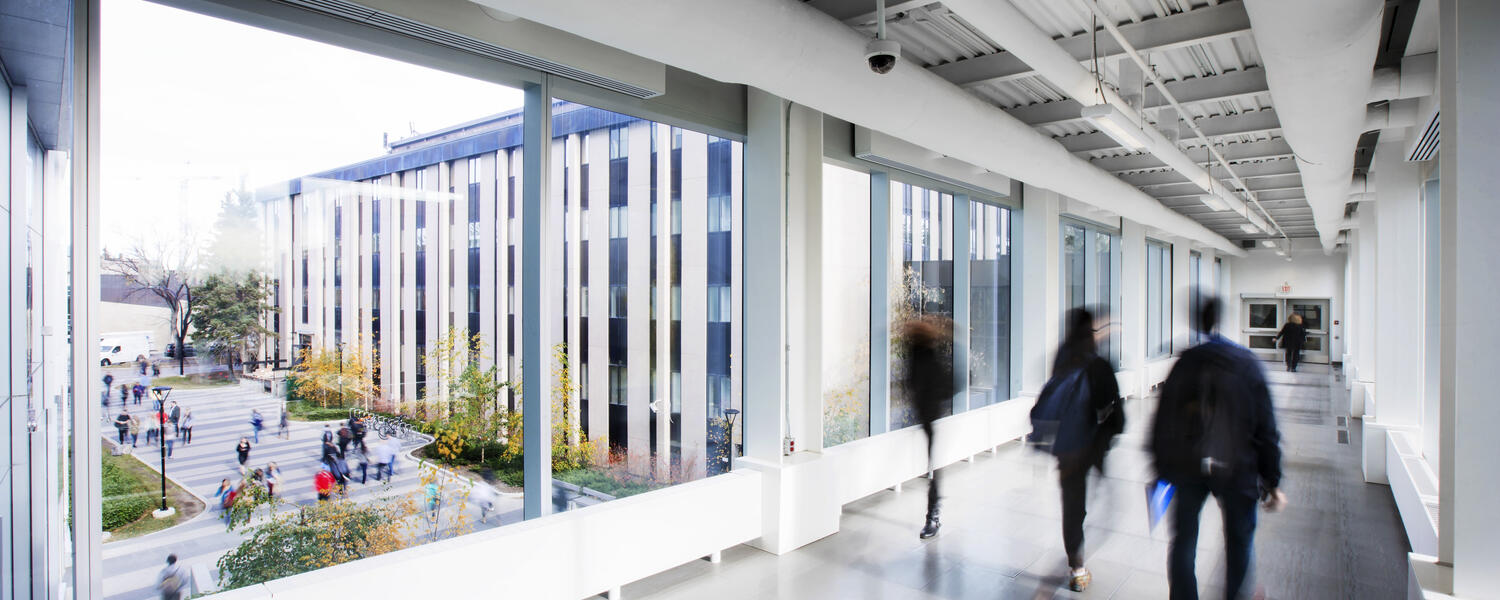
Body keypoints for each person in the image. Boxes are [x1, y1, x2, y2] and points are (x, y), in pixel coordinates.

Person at [1152, 298, 1286, 600]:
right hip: (1237, 468)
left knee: (1183, 540)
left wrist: (1160, 469)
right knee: (1239, 541)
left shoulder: (1184, 363)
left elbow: (1162, 420)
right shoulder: (1246, 363)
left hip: (1186, 468)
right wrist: (1272, 480)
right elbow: (1266, 427)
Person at [1038, 308, 1124, 592]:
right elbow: (1116, 417)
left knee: (1072, 508)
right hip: (1090, 448)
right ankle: (1079, 556)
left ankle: (1076, 566)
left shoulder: (1062, 358)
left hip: (1066, 450)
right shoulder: (1099, 364)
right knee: (1099, 507)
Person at [897, 315, 954, 539]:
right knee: (933, 468)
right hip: (928, 414)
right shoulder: (916, 353)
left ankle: (933, 515)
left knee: (934, 468)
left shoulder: (931, 355)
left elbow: (946, 383)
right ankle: (933, 515)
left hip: (934, 416)